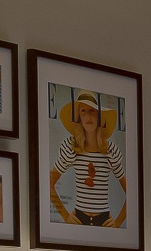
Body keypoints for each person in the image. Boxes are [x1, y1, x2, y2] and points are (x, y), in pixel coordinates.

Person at [48, 90, 126, 228]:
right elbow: (48, 182)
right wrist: (66, 216)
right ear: (79, 117)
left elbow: (133, 192)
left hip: (103, 221)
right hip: (79, 219)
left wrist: (118, 222)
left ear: (99, 116)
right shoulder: (72, 148)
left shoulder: (110, 151)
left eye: (92, 111)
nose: (88, 116)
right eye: (83, 111)